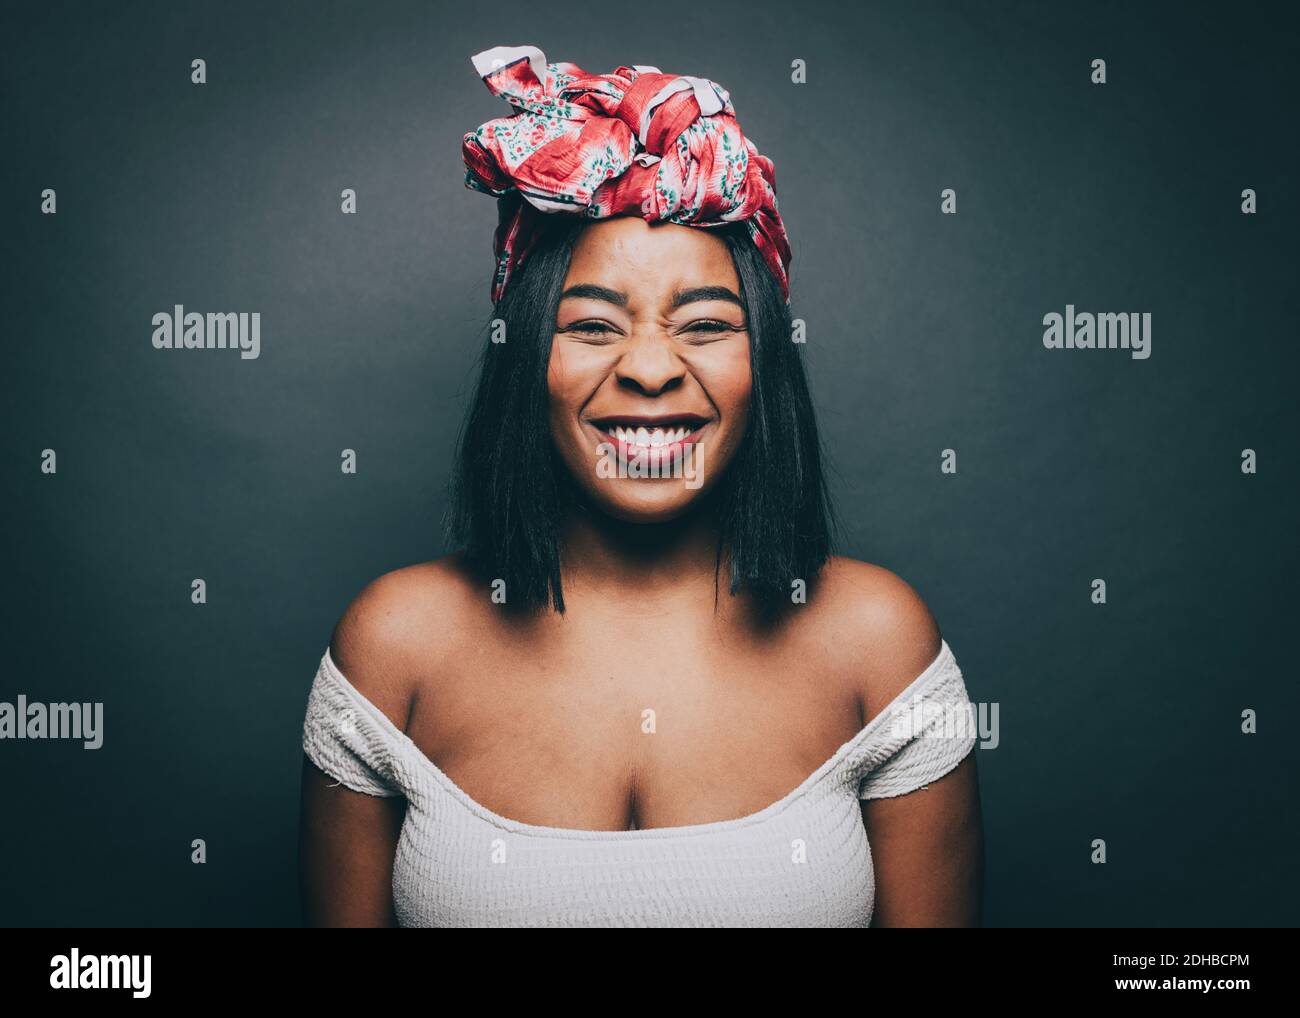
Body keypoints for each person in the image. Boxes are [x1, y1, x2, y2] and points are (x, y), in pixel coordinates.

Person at [298, 43, 983, 927]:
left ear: (762, 366)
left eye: (704, 324)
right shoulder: (393, 647)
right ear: (524, 362)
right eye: (591, 326)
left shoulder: (878, 644)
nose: (651, 369)